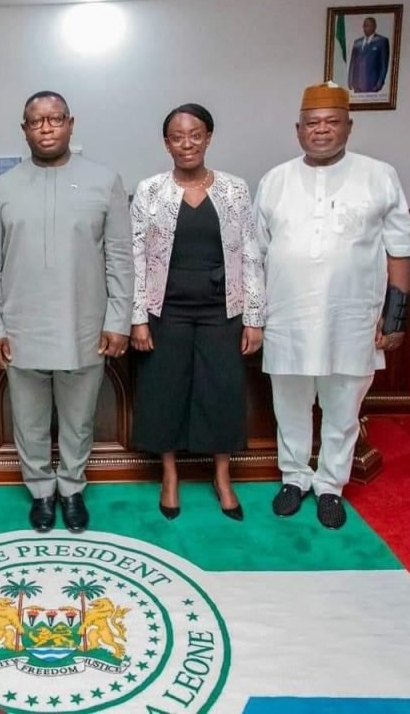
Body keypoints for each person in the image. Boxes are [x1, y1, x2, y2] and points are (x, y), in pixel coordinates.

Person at [254, 82, 410, 529]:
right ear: (298, 129)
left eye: (331, 122)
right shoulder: (275, 180)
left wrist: (397, 315)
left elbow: (400, 250)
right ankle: (294, 478)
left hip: (353, 318)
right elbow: (256, 254)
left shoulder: (379, 175)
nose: (321, 130)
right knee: (289, 404)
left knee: (343, 407)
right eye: (312, 123)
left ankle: (330, 486)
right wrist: (254, 317)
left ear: (349, 125)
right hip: (287, 317)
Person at [0, 90, 133, 533]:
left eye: (55, 119)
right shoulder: (2, 189)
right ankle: (42, 492)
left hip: (84, 324)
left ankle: (72, 488)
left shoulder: (105, 181)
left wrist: (118, 320)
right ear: (24, 129)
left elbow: (120, 258)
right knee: (27, 419)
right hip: (21, 327)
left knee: (80, 419)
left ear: (71, 123)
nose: (46, 128)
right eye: (36, 121)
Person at [130, 103, 265, 522]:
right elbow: (134, 255)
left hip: (221, 310)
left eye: (195, 134)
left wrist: (254, 316)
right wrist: (137, 316)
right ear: (166, 142)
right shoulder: (150, 190)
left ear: (208, 137)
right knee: (164, 389)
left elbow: (251, 253)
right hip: (163, 310)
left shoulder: (235, 189)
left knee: (222, 390)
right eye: (177, 136)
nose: (186, 143)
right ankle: (169, 475)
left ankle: (221, 476)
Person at [348, 16, 390, 93]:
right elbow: (352, 63)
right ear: (363, 27)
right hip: (357, 84)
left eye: (370, 26)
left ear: (375, 27)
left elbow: (384, 65)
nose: (367, 28)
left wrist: (379, 84)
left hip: (372, 84)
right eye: (366, 26)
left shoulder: (382, 41)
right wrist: (350, 80)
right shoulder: (357, 42)